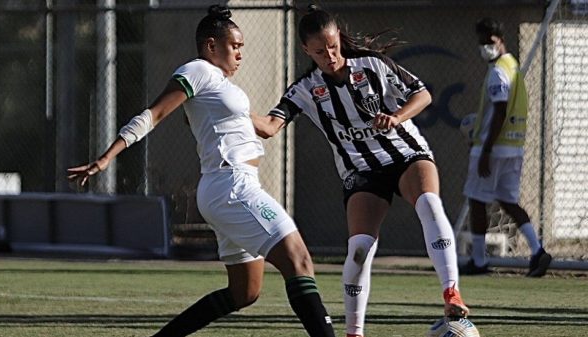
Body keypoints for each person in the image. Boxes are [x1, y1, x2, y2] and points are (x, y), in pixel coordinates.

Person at [67, 6, 336, 337]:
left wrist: (302, 88)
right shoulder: (198, 70)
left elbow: (267, 127)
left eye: (241, 47)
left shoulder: (225, 91)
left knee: (245, 292)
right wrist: (108, 156)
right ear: (211, 45)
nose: (240, 54)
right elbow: (155, 114)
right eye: (234, 46)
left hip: (227, 189)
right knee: (300, 262)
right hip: (233, 186)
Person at [251, 5, 469, 337]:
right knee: (360, 248)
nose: (330, 55)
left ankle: (451, 292)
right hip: (362, 171)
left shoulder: (372, 64)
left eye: (334, 46)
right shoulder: (305, 89)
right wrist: (232, 107)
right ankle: (355, 332)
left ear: (339, 38)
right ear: (306, 50)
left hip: (406, 154)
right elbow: (269, 127)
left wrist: (396, 117)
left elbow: (422, 94)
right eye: (320, 51)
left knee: (429, 204)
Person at [460, 17, 552, 277]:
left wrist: (486, 150)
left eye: (488, 42)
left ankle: (478, 260)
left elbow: (500, 110)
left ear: (500, 40)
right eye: (481, 42)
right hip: (514, 147)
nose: (484, 47)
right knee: (509, 201)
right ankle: (537, 251)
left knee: (477, 201)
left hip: (494, 148)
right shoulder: (514, 66)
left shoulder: (499, 70)